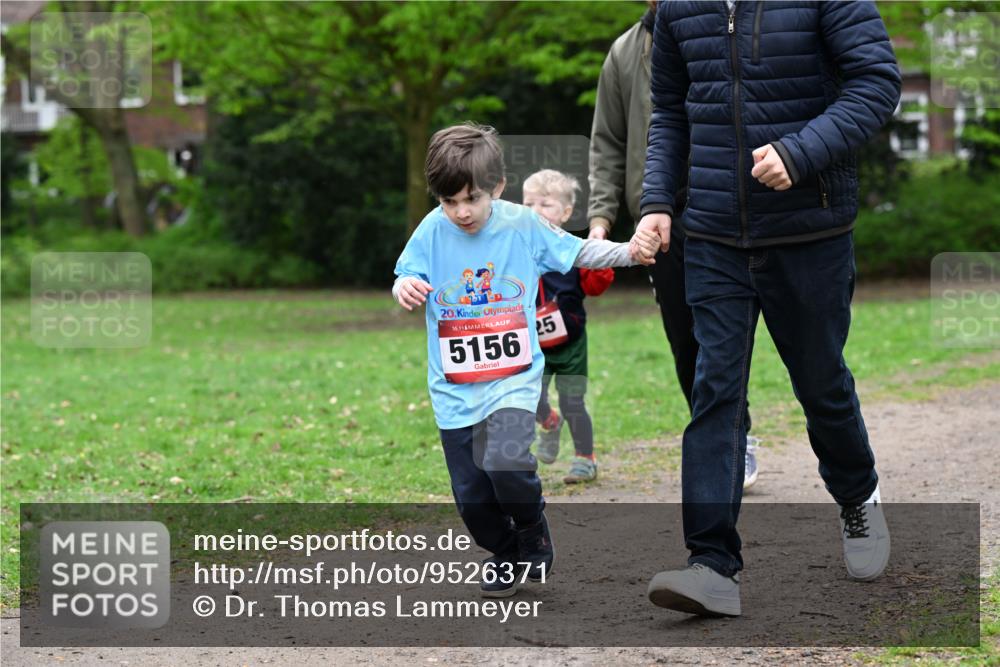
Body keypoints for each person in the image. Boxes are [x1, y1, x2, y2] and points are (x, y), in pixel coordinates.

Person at [634, 0, 901, 617]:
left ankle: (857, 496)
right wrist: (657, 202)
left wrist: (800, 152)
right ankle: (711, 564)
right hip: (712, 234)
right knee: (715, 392)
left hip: (810, 231)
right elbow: (670, 111)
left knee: (820, 382)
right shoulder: (677, 8)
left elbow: (877, 83)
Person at [393, 122, 658, 598]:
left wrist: (630, 252)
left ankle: (532, 527)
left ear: (497, 186)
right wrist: (405, 286)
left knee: (506, 463)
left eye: (472, 199)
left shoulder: (521, 223)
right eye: (449, 201)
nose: (461, 212)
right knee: (472, 497)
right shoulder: (432, 229)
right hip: (454, 390)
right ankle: (505, 551)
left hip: (512, 380)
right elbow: (406, 272)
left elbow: (579, 251)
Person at [588, 0, 760, 489]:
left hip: (730, 205)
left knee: (732, 335)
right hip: (661, 219)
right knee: (686, 339)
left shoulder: (724, 28)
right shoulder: (624, 52)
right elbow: (607, 142)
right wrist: (600, 217)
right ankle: (733, 437)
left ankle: (741, 437)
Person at [522, 169, 615, 484]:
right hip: (532, 344)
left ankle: (585, 459)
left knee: (572, 401)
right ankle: (550, 422)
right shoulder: (516, 248)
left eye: (545, 204)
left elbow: (597, 286)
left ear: (565, 213)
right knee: (530, 399)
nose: (535, 211)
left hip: (571, 342)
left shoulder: (574, 250)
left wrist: (598, 256)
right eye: (529, 204)